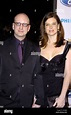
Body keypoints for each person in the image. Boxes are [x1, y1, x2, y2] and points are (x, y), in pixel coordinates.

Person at [0, 13, 44, 108]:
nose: (21, 27)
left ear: (28, 28)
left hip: (27, 102)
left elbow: (37, 75)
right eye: (18, 23)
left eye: (24, 24)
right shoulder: (2, 47)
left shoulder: (35, 49)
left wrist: (39, 100)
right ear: (13, 26)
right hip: (5, 101)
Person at [39, 12, 71, 108]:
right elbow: (35, 73)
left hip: (58, 98)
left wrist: (62, 97)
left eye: (53, 24)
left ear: (58, 26)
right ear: (44, 28)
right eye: (47, 24)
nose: (50, 27)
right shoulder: (38, 46)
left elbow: (68, 73)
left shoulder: (67, 46)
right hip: (41, 97)